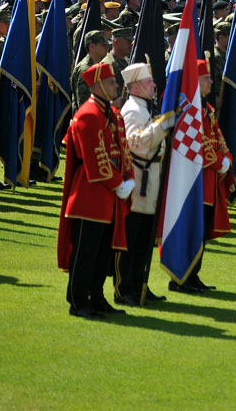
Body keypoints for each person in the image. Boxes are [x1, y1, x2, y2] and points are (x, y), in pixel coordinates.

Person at [57, 62, 134, 319]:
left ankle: (97, 297)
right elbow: (95, 159)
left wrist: (129, 179)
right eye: (112, 82)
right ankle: (79, 301)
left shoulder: (114, 114)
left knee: (103, 253)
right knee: (86, 254)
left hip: (109, 196)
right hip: (89, 197)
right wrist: (118, 183)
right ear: (99, 85)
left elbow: (123, 151)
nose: (116, 86)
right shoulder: (88, 114)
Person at [174, 59, 233, 293]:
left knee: (201, 232)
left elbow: (216, 136)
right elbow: (195, 144)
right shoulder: (189, 109)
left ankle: (193, 275)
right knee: (191, 231)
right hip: (195, 181)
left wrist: (226, 156)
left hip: (208, 181)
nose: (211, 81)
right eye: (206, 78)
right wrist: (220, 161)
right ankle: (181, 277)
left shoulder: (205, 107)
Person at [116, 62, 172, 307]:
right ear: (136, 86)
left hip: (151, 184)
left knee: (144, 241)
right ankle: (124, 288)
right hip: (137, 184)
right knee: (131, 240)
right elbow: (134, 144)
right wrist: (160, 127)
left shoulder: (144, 108)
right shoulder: (132, 110)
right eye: (149, 82)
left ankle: (140, 285)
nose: (154, 85)